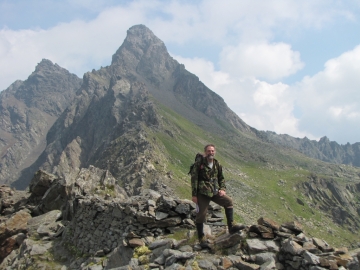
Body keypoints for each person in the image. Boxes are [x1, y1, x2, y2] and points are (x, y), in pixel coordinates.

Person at [191, 144, 243, 247]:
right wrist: (194, 195)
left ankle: (231, 226)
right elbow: (194, 179)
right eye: (209, 151)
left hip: (214, 191)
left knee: (228, 201)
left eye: (212, 151)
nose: (211, 153)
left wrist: (222, 189)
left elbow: (221, 178)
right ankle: (201, 238)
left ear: (215, 152)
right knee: (202, 214)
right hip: (203, 192)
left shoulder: (217, 163)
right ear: (205, 152)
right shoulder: (199, 163)